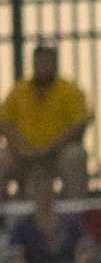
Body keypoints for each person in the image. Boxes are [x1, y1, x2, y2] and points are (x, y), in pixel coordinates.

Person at [1, 41, 92, 196]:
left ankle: (74, 212)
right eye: (39, 61)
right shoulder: (19, 90)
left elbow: (78, 125)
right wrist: (21, 147)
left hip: (58, 154)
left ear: (55, 63)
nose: (43, 66)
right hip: (21, 155)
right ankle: (4, 215)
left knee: (75, 155)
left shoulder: (69, 90)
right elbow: (5, 122)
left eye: (47, 61)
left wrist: (50, 149)